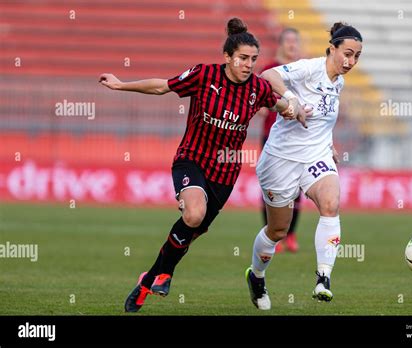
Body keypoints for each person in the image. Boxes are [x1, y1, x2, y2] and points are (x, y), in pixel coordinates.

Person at [99, 18, 305, 313]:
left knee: (193, 230)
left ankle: (153, 277)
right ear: (227, 57)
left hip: (225, 171)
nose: (248, 64)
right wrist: (120, 86)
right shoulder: (203, 75)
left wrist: (296, 111)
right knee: (194, 215)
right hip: (192, 158)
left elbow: (281, 106)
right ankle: (159, 276)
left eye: (253, 59)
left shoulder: (257, 88)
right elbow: (162, 87)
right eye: (243, 58)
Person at [246, 22, 363, 310]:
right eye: (346, 53)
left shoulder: (339, 82)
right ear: (331, 49)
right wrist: (292, 100)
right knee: (277, 231)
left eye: (357, 56)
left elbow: (324, 118)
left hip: (315, 157)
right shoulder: (309, 68)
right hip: (281, 159)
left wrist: (329, 143)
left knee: (331, 202)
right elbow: (268, 74)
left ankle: (323, 277)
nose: (350, 61)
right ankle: (256, 275)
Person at [259, 28, 302, 253]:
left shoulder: (302, 71)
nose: (292, 45)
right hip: (272, 137)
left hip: (298, 138)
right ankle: (271, 233)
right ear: (281, 44)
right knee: (270, 187)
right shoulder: (269, 70)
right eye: (289, 41)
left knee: (297, 187)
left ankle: (291, 234)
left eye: (296, 41)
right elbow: (257, 101)